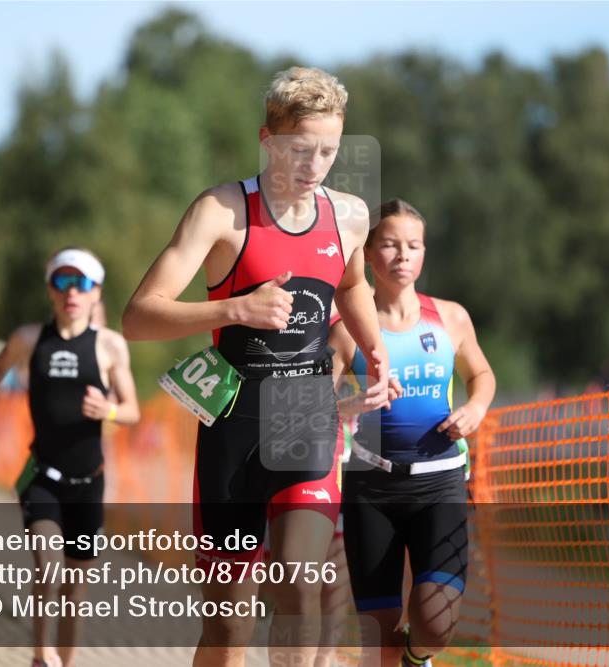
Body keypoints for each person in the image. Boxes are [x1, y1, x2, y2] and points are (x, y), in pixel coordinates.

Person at [123, 66, 399, 667]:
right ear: (267, 141)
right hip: (232, 422)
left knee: (299, 581)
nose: (315, 165)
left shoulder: (349, 215)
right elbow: (139, 317)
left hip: (306, 413)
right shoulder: (221, 211)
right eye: (301, 150)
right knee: (229, 626)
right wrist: (235, 308)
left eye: (328, 150)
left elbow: (352, 285)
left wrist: (374, 345)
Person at [329, 199, 496, 667]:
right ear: (366, 254)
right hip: (370, 487)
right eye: (389, 244)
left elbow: (481, 375)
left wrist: (476, 408)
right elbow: (308, 408)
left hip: (440, 482)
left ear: (424, 252)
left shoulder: (450, 317)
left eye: (414, 245)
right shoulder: (345, 331)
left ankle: (416, 657)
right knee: (378, 642)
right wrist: (353, 405)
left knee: (436, 625)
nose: (403, 254)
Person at [0, 247, 140, 667]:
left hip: (89, 483)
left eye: (81, 283)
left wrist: (109, 411)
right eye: (62, 282)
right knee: (50, 568)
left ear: (96, 292)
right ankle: (41, 657)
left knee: (75, 590)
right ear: (50, 289)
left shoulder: (110, 346)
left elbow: (133, 410)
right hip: (42, 476)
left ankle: (65, 660)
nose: (71, 292)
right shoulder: (29, 339)